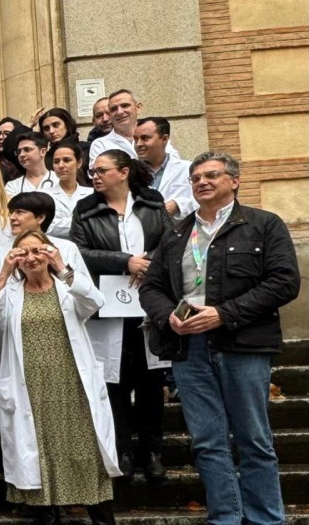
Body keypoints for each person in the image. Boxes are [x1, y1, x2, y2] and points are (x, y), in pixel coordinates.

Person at [139, 151, 300, 525]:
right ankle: (226, 517)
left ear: (234, 180)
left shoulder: (263, 224)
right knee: (208, 441)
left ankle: (265, 519)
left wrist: (224, 313)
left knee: (254, 439)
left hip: (243, 345)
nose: (201, 183)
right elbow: (151, 288)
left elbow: (284, 282)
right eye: (195, 178)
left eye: (211, 175)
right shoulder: (177, 232)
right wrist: (167, 318)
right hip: (188, 348)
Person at [0, 230, 119, 525]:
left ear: (50, 253)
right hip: (31, 386)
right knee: (40, 451)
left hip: (72, 383)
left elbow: (95, 302)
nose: (30, 258)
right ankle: (48, 516)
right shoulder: (11, 294)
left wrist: (64, 268)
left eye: (37, 251)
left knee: (86, 450)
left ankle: (102, 519)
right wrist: (2, 275)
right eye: (22, 254)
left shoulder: (67, 287)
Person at [71, 149, 173, 481]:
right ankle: (123, 451)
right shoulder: (86, 210)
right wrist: (124, 260)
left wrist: (151, 263)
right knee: (115, 382)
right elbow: (79, 252)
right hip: (109, 309)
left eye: (102, 170)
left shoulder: (153, 203)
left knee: (151, 382)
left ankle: (152, 451)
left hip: (150, 303)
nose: (94, 176)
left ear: (124, 172)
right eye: (92, 172)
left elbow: (173, 242)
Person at [88, 89, 178, 161]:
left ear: (138, 108)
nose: (119, 112)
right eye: (114, 109)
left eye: (125, 105)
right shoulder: (100, 145)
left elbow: (173, 165)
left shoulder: (156, 135)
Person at [134, 117, 197, 219]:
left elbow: (205, 200)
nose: (138, 144)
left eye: (145, 138)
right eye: (136, 139)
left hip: (180, 231)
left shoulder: (187, 169)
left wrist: (178, 205)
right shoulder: (129, 172)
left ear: (164, 139)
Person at [44, 140, 95, 239]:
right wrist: (84, 222)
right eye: (56, 161)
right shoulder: (43, 196)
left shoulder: (92, 194)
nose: (61, 166)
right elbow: (47, 226)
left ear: (79, 163)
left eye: (67, 160)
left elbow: (98, 224)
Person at [5, 132, 59, 197]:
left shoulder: (59, 180)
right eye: (18, 151)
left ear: (43, 152)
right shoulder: (12, 186)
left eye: (27, 149)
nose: (21, 154)